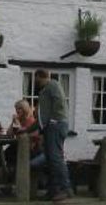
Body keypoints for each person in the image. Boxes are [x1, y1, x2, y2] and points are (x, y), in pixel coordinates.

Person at [35, 69, 71, 202]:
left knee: (56, 158)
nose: (35, 82)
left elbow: (59, 102)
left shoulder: (53, 85)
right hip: (50, 127)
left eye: (36, 79)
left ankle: (65, 189)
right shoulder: (45, 89)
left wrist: (53, 120)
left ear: (40, 76)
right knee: (50, 160)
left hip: (55, 126)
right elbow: (42, 114)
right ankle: (53, 191)